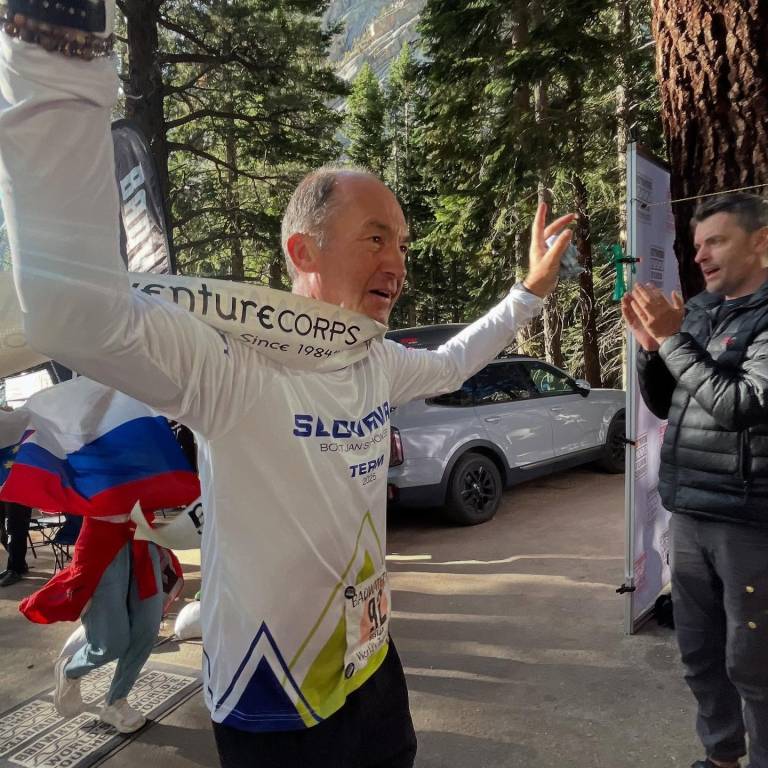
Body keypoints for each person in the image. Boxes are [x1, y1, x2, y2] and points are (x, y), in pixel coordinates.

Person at [0, 7, 574, 767]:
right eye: (376, 238)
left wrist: (527, 296)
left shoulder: (373, 361)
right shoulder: (229, 364)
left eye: (402, 244)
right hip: (270, 692)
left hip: (370, 663)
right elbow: (72, 313)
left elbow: (453, 361)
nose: (397, 263)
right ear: (304, 250)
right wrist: (55, 57)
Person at [622, 192, 768, 768]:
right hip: (689, 511)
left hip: (748, 520)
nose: (701, 254)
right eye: (697, 243)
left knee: (754, 663)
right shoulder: (702, 309)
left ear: (760, 242)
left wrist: (671, 340)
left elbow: (741, 404)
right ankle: (721, 756)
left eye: (716, 241)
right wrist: (648, 350)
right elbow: (667, 401)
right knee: (700, 654)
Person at [0, 500, 32, 587]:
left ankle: (15, 570)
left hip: (18, 496)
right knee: (3, 533)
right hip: (3, 494)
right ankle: (19, 565)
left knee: (15, 530)